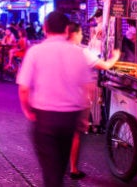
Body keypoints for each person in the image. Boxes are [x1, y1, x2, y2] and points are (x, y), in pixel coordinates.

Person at [16, 11, 93, 187]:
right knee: (59, 166)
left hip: (45, 118)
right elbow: (89, 88)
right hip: (70, 118)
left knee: (51, 170)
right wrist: (83, 116)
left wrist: (27, 110)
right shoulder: (78, 53)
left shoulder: (35, 52)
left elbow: (24, 89)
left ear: (45, 29)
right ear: (67, 29)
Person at [66, 22, 121, 180]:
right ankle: (74, 169)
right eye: (81, 34)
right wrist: (115, 56)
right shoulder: (82, 52)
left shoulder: (59, 51)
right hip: (77, 99)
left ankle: (58, 165)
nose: (82, 36)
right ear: (75, 34)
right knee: (75, 134)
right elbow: (105, 65)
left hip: (58, 98)